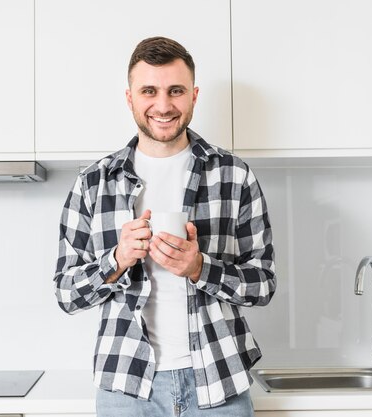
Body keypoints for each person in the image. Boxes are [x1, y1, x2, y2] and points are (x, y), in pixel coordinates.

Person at [54, 36, 276, 416]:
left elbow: (263, 285)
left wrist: (199, 268)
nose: (163, 105)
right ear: (130, 98)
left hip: (218, 377)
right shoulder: (94, 182)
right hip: (126, 385)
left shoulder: (234, 175)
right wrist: (117, 260)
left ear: (193, 95)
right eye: (149, 91)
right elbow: (66, 293)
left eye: (176, 90)